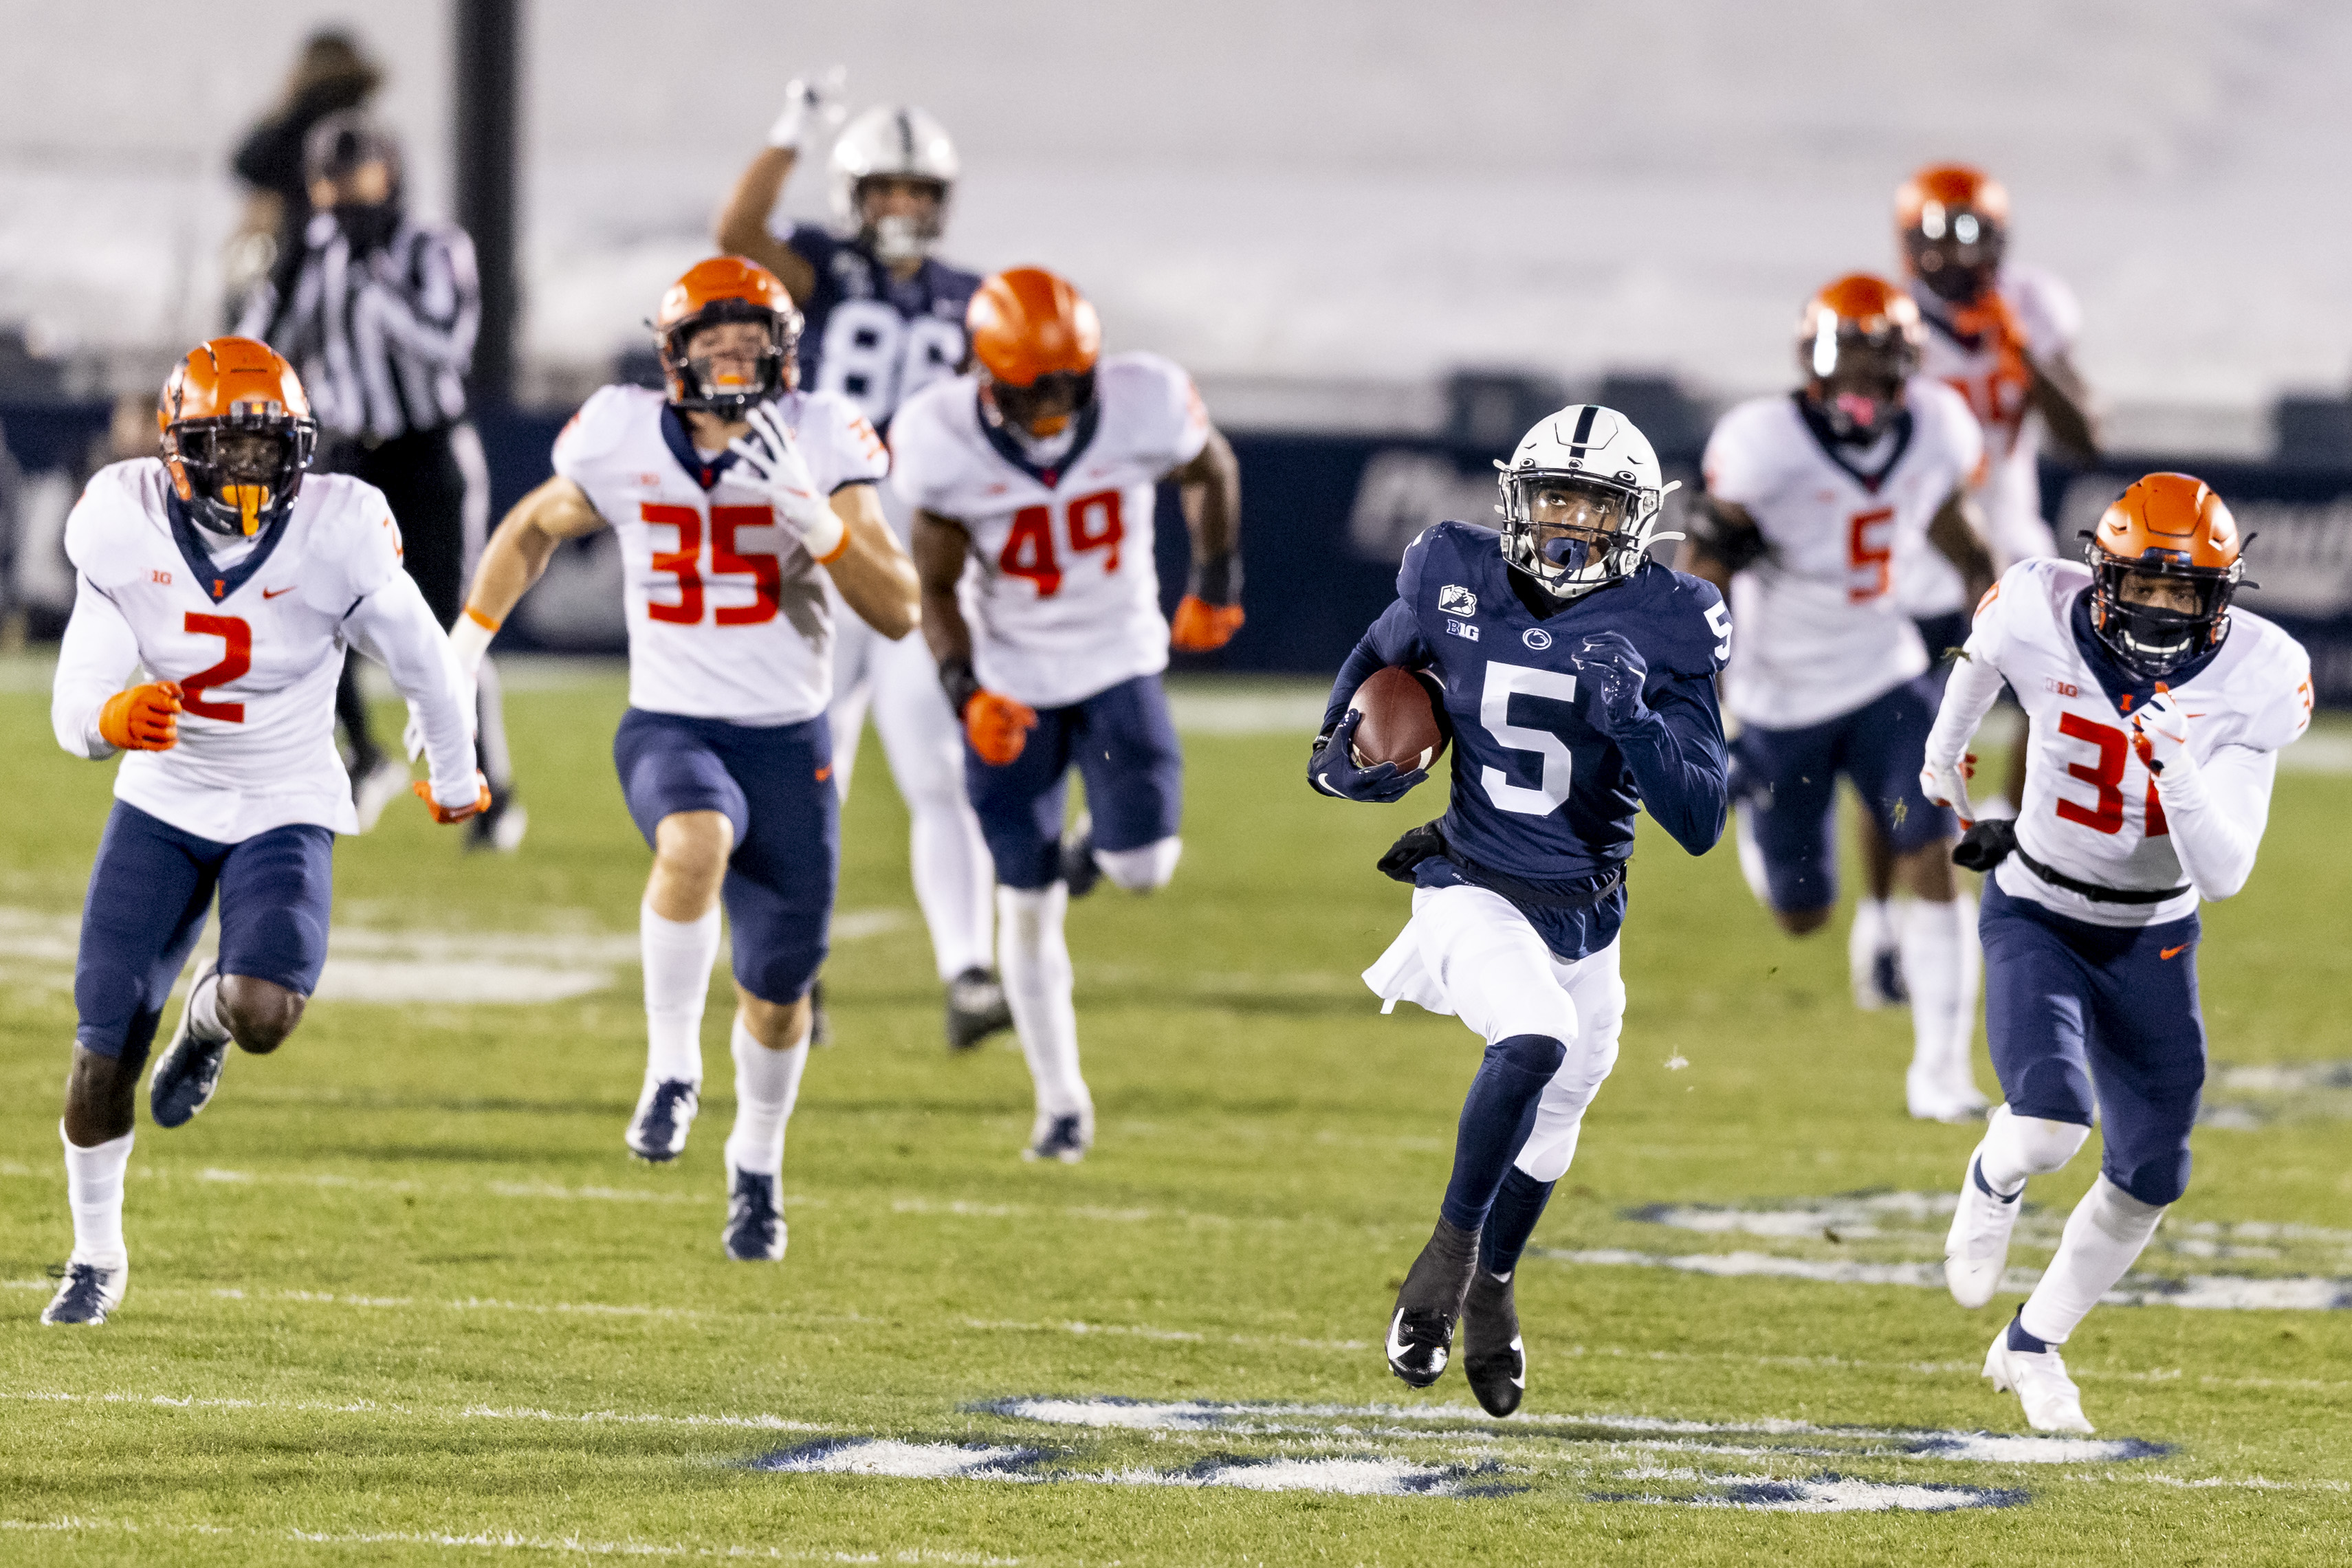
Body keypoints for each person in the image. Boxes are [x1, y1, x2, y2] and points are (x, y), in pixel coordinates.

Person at [454, 258, 918, 1261]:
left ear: (784, 355)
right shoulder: (622, 433)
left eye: (752, 344)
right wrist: (464, 646)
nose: (733, 361)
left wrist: (818, 518)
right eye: (713, 344)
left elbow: (901, 607)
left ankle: (755, 1164)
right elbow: (535, 526)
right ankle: (671, 1068)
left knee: (779, 996)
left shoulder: (821, 436)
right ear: (672, 358)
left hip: (790, 744)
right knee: (694, 841)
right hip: (671, 723)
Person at [41, 338, 483, 1326]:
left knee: (266, 1012)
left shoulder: (340, 528)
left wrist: (454, 774)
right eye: (227, 448)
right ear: (177, 449)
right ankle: (95, 1253)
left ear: (300, 450)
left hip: (285, 796)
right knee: (102, 1043)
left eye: (266, 448)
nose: (249, 470)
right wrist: (109, 721)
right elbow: (77, 686)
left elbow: (423, 656)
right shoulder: (122, 521)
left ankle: (207, 1024)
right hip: (163, 800)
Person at [1312, 404, 1729, 1414]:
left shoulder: (1673, 619)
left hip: (1587, 908)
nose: (1568, 522)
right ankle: (1444, 1268)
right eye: (1552, 497)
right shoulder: (1450, 570)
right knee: (1534, 1035)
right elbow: (1361, 693)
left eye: (1594, 505)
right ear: (1514, 500)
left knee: (1553, 1129)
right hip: (1469, 883)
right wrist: (1346, 767)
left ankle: (1492, 1290)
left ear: (1635, 519)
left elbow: (1703, 817)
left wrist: (1635, 720)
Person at [1924, 474, 2310, 1433]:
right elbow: (1980, 657)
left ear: (2222, 598)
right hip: (2040, 910)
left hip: (2154, 932)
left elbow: (2222, 871)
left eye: (2185, 592)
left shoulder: (2258, 675)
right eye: (2142, 583)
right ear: (2103, 576)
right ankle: (1993, 1173)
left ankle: (2031, 1344)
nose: (2160, 607)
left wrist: (2177, 765)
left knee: (2153, 1173)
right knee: (2051, 1124)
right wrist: (1947, 760)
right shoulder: (2037, 603)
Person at [894, 267, 1244, 1164]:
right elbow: (933, 585)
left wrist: (1214, 581)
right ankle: (1060, 1103)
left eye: (1065, 383)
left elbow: (1211, 466)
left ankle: (1092, 849)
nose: (1051, 407)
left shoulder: (1146, 399)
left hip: (1115, 659)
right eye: (1030, 387)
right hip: (1012, 677)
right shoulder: (938, 438)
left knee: (1144, 866)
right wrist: (966, 695)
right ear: (986, 376)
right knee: (1024, 901)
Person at [715, 80, 1007, 1050]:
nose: (903, 209)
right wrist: (790, 128)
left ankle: (969, 971)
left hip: (927, 550)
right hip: (819, 533)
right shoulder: (822, 272)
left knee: (939, 764)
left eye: (918, 192)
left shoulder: (974, 299)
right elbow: (738, 230)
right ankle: (794, 968)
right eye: (885, 190)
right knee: (807, 762)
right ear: (854, 197)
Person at [1682, 275, 1995, 1123]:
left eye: (1877, 357)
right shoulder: (1763, 441)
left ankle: (1939, 1073)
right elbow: (1700, 580)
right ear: (1810, 359)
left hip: (1887, 674)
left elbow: (1949, 525)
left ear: (1908, 363)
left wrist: (1989, 599)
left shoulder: (1936, 426)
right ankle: (1760, 814)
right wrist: (1703, 713)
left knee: (1930, 846)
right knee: (1802, 917)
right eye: (1842, 355)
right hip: (1781, 699)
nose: (1859, 376)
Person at [236, 111, 523, 850]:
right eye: (327, 176)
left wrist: (372, 281)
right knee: (304, 606)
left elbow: (446, 346)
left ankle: (491, 785)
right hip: (347, 454)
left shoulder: (433, 245)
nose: (338, 190)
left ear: (388, 172)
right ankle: (365, 753)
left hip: (428, 452)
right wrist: (283, 276)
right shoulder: (321, 247)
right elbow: (266, 348)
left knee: (446, 621)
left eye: (352, 171)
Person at [1900, 162, 2101, 819]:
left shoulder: (2027, 304)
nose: (1956, 253)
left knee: (2062, 688)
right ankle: (1896, 888)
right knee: (1900, 716)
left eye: (1970, 234)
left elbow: (2084, 439)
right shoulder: (1892, 322)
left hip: (2012, 533)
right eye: (1939, 236)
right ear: (1910, 242)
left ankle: (2013, 832)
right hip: (1914, 541)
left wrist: (2021, 352)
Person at [226, 30, 383, 311]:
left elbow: (248, 164)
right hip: (357, 265)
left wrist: (288, 106)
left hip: (292, 260)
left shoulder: (295, 125)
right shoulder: (364, 129)